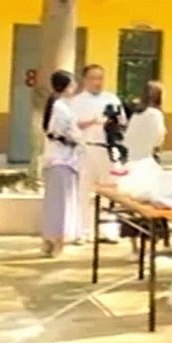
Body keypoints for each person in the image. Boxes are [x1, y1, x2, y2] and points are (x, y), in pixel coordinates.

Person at [40, 70, 94, 257]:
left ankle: (48, 240)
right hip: (63, 159)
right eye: (72, 84)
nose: (75, 87)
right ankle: (58, 242)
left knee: (53, 203)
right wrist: (79, 140)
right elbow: (64, 132)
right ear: (65, 87)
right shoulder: (60, 108)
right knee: (62, 204)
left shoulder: (59, 105)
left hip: (58, 159)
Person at [71, 64, 126, 243]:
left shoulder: (111, 98)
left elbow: (122, 122)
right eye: (93, 78)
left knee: (109, 191)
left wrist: (113, 123)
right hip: (86, 148)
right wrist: (93, 122)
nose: (97, 82)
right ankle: (83, 231)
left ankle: (108, 230)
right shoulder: (77, 101)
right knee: (84, 191)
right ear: (85, 80)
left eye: (100, 78)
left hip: (108, 149)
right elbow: (72, 126)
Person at [123, 81, 166, 163]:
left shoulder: (137, 113)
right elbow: (159, 135)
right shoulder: (155, 114)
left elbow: (128, 136)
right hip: (148, 156)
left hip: (132, 156)